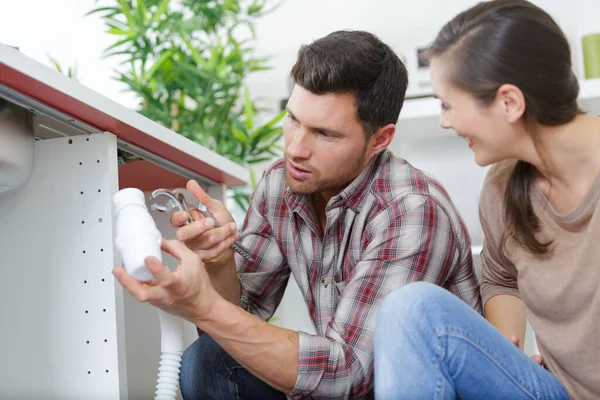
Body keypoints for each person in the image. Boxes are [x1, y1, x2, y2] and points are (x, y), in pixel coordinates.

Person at [113, 30, 482, 399]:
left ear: (380, 140)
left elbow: (349, 374)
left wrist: (202, 306)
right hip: (345, 383)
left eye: (325, 134)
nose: (296, 149)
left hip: (402, 389)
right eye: (293, 119)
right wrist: (220, 262)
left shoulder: (411, 209)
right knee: (211, 359)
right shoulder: (282, 185)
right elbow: (241, 318)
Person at [374, 1, 600, 399]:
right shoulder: (502, 188)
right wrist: (503, 352)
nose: (445, 121)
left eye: (448, 105)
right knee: (412, 309)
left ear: (509, 102)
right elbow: (501, 277)